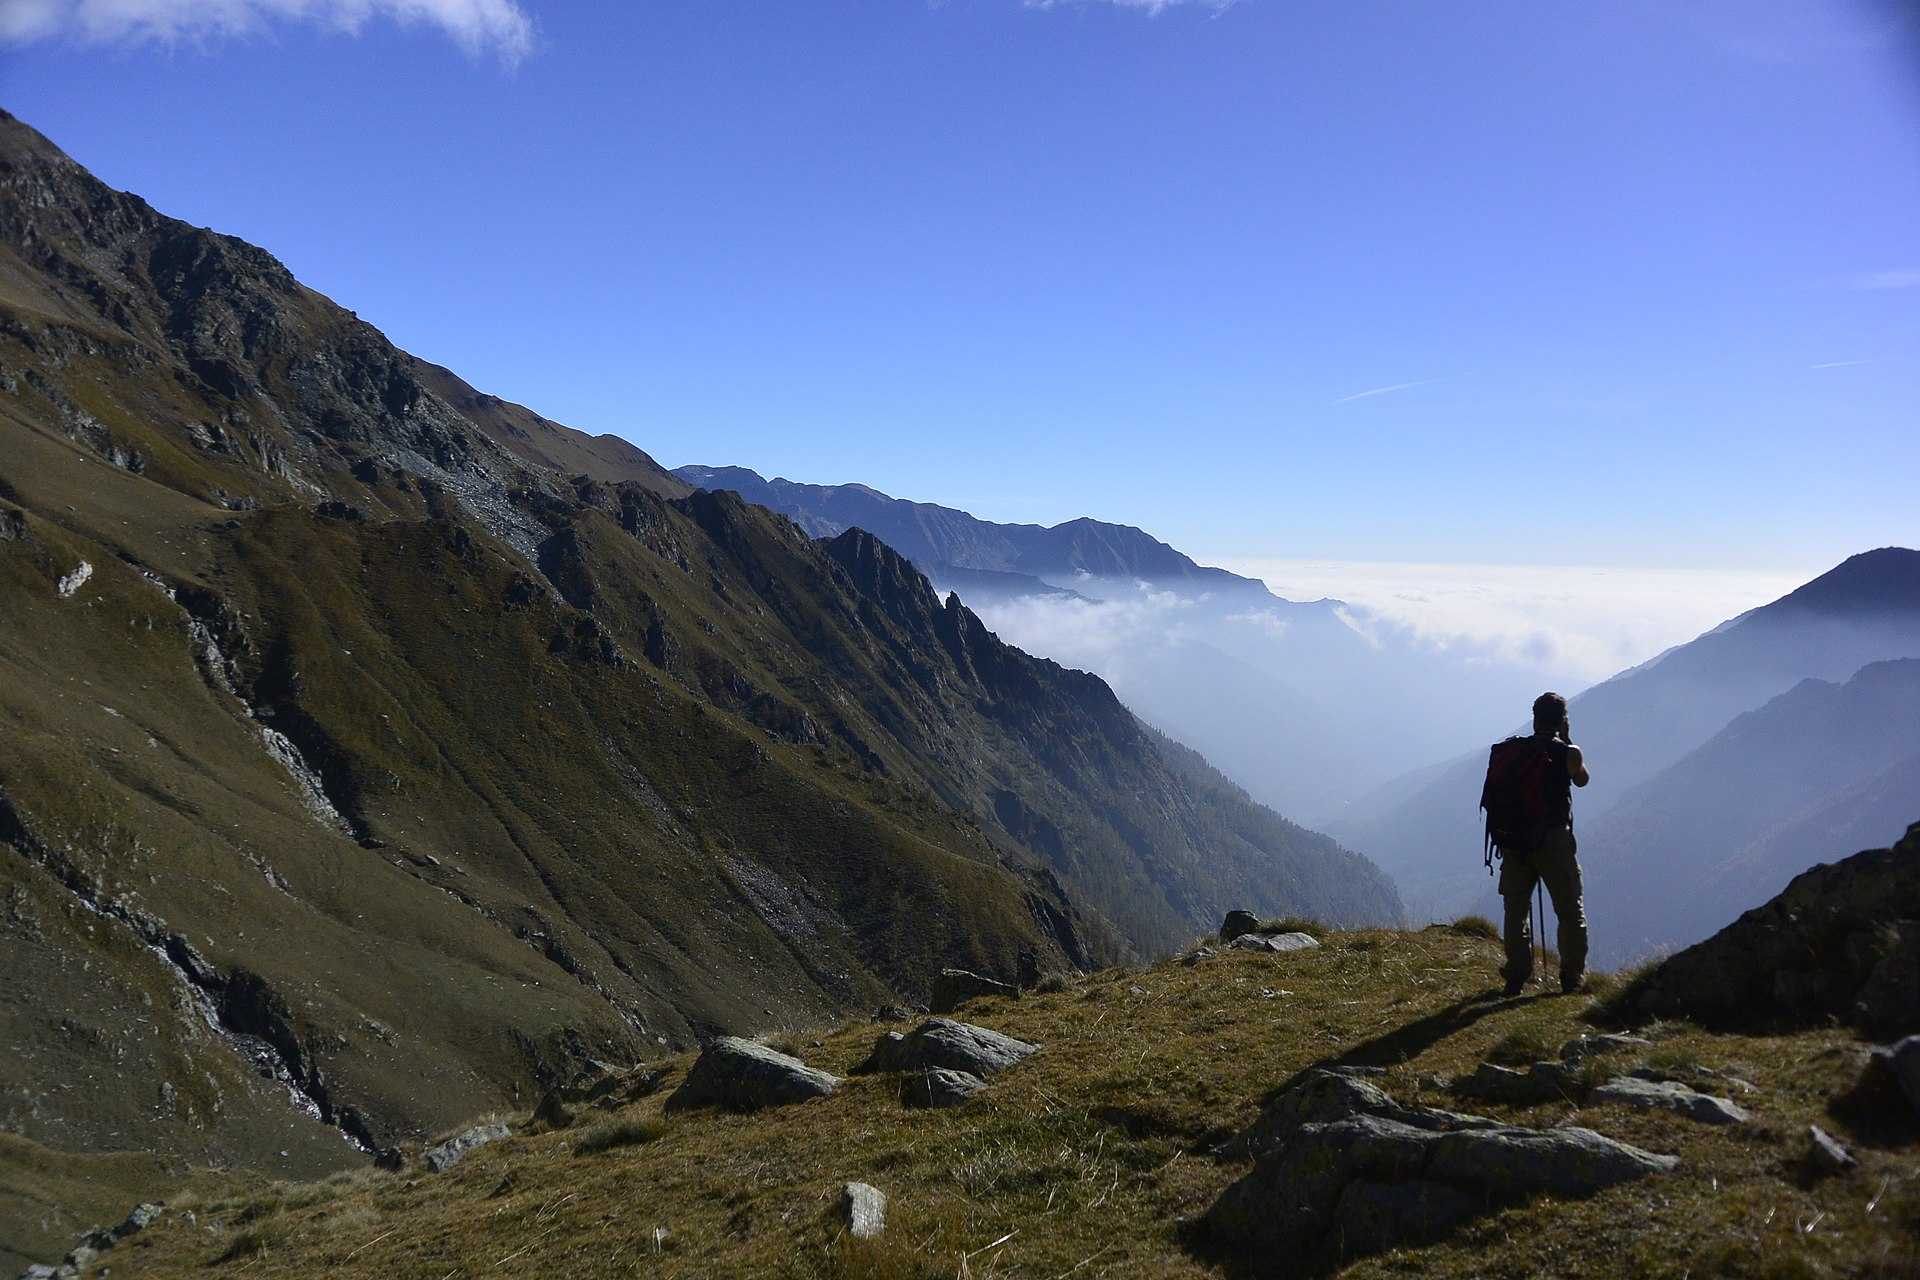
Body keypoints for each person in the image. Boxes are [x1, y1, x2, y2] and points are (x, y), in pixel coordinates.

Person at [1497, 692, 1590, 996]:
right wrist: (1568, 738)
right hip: (1553, 840)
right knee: (1569, 908)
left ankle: (1516, 975)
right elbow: (1582, 780)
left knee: (1515, 909)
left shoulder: (1514, 751)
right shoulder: (1568, 753)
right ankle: (1572, 977)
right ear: (1562, 719)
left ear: (1534, 717)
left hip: (1515, 842)